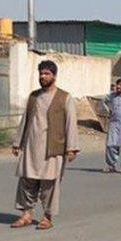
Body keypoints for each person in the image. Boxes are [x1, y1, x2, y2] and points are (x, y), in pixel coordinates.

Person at [10, 60, 80, 230]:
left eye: (47, 73)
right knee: (27, 181)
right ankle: (26, 214)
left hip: (53, 149)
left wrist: (71, 148)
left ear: (54, 76)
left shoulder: (65, 97)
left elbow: (71, 123)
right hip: (31, 148)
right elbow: (25, 120)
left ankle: (47, 217)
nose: (43, 76)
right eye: (41, 73)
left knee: (49, 185)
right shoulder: (34, 97)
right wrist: (17, 142)